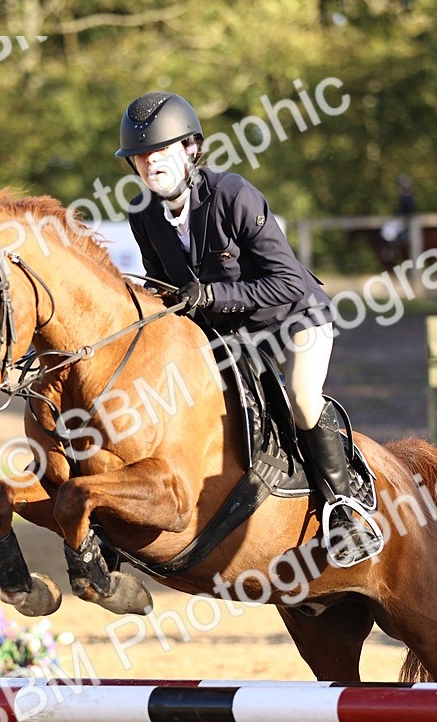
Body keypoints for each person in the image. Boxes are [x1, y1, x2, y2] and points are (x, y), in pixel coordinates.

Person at [116, 90, 383, 566]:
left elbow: (285, 281)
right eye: (140, 155)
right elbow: (162, 287)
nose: (149, 161)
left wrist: (211, 296)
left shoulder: (234, 195)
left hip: (294, 317)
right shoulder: (143, 215)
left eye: (160, 150)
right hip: (232, 335)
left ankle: (347, 509)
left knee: (301, 398)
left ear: (190, 149)